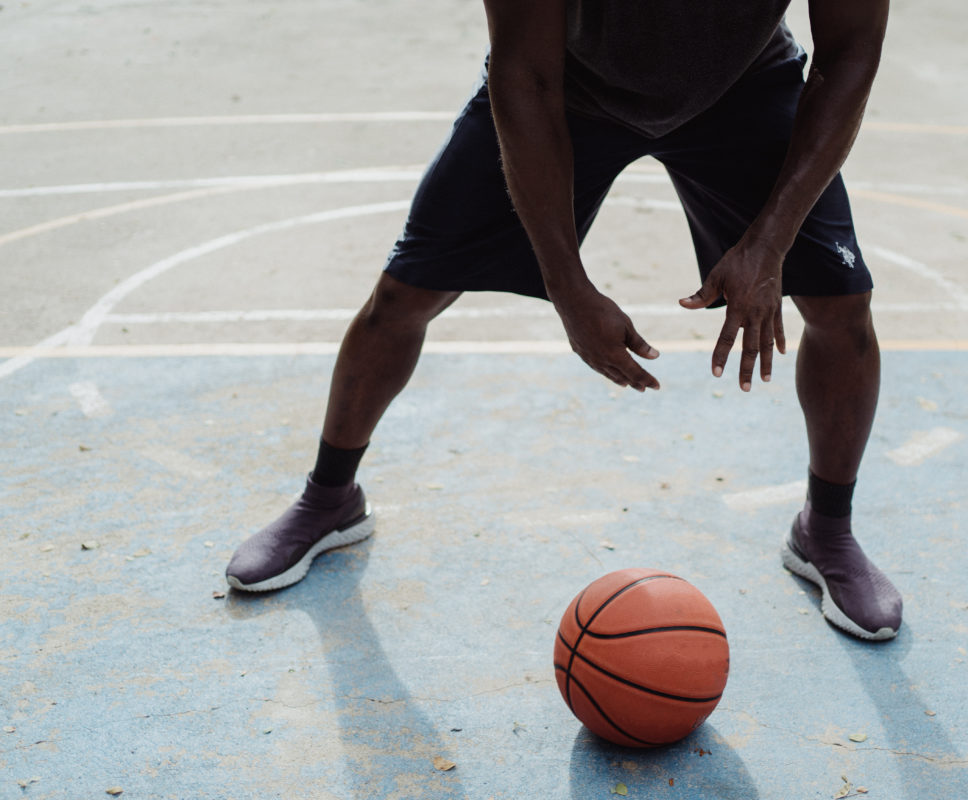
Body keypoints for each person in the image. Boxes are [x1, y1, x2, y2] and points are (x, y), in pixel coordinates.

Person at [226, 0, 902, 641]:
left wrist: (771, 241)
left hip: (744, 87)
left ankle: (827, 529)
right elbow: (524, 74)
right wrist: (567, 286)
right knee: (405, 295)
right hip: (567, 88)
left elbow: (850, 55)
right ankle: (329, 499)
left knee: (842, 309)